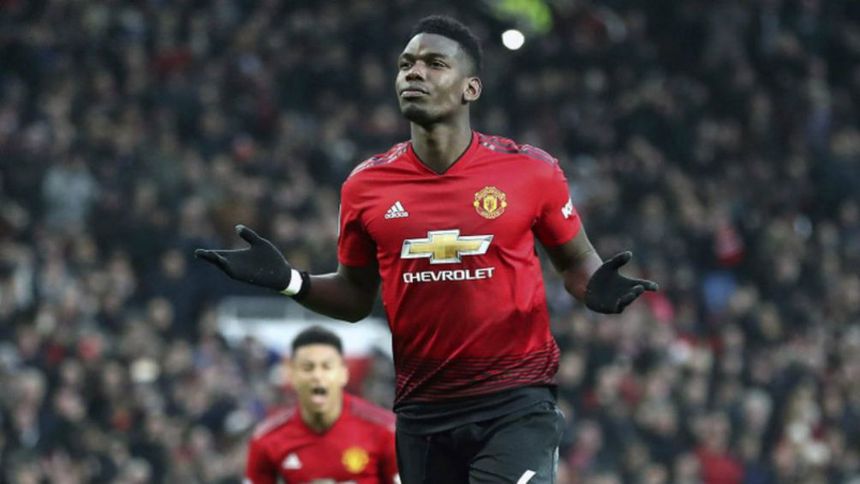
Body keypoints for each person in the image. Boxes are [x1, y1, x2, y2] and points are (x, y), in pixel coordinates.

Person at [198, 15, 658, 484]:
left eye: (434, 64)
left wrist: (593, 287)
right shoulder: (365, 185)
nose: (414, 73)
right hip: (422, 412)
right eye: (406, 64)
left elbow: (577, 260)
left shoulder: (530, 171)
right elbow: (355, 296)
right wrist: (290, 281)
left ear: (470, 89)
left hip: (515, 403)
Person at [244, 326, 399, 484]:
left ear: (343, 374)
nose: (317, 376)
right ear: (292, 375)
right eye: (307, 368)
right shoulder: (267, 438)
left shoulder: (386, 431)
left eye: (327, 367)